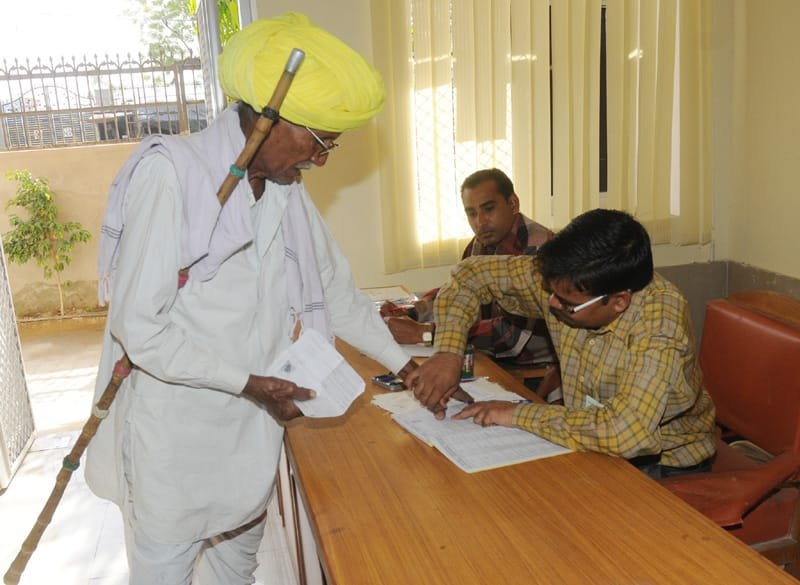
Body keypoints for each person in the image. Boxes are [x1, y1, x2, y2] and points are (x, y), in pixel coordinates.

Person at [85, 13, 417, 585]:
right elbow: (141, 327)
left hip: (250, 434)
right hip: (178, 438)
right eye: (319, 143)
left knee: (237, 572)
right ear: (270, 120)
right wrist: (250, 383)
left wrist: (407, 366)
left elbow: (335, 292)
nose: (322, 161)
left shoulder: (286, 192)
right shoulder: (173, 175)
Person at [406, 209, 717, 479]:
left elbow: (625, 433)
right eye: (550, 293)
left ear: (619, 301)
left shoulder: (660, 323)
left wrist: (515, 414)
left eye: (567, 303)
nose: (552, 304)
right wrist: (448, 352)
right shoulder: (568, 279)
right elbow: (469, 276)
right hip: (585, 438)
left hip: (662, 463)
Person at [384, 168, 557, 370]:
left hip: (528, 369)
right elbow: (456, 293)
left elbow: (509, 336)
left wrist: (423, 333)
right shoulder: (481, 243)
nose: (480, 222)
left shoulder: (539, 249)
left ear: (513, 203)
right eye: (471, 213)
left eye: (489, 209)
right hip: (486, 355)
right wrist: (408, 314)